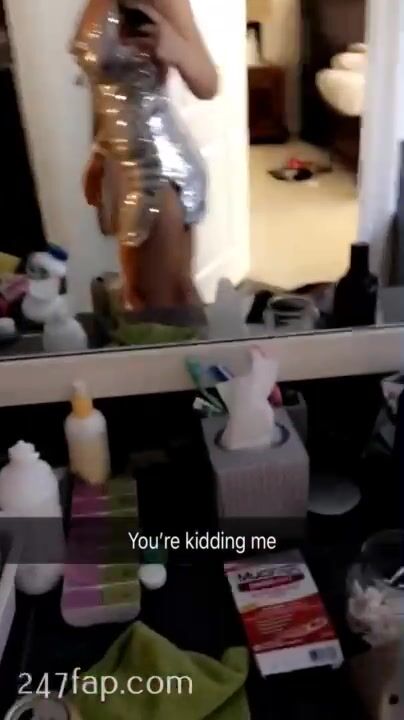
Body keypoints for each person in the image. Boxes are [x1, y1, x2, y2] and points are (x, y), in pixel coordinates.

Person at [73, 0, 218, 317]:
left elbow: (208, 83)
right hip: (122, 159)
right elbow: (105, 88)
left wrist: (176, 47)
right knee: (149, 296)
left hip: (157, 168)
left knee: (158, 306)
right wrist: (99, 152)